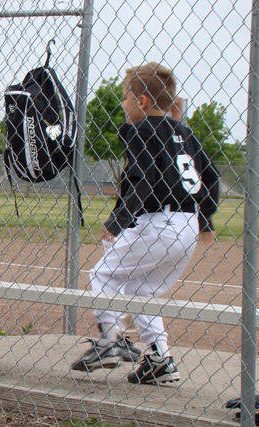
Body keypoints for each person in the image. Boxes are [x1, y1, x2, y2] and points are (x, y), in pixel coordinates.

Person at [70, 62, 220, 385]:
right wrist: (206, 220)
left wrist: (118, 220)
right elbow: (212, 176)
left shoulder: (142, 130)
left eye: (126, 98)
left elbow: (142, 180)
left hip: (159, 223)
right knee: (142, 290)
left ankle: (109, 341)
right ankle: (160, 360)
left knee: (103, 273)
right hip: (187, 223)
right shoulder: (185, 132)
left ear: (142, 101)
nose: (123, 105)